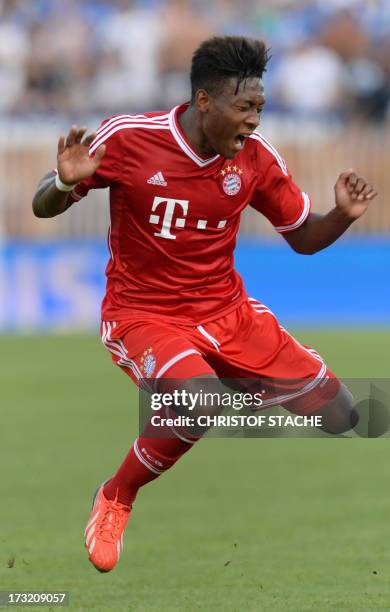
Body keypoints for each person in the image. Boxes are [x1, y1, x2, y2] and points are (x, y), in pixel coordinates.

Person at [32, 36, 377, 573]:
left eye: (260, 108)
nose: (255, 121)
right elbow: (43, 205)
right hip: (144, 315)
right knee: (199, 401)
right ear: (204, 102)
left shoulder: (258, 161)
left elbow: (304, 237)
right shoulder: (129, 139)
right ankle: (117, 496)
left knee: (342, 415)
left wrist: (343, 215)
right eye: (245, 108)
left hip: (227, 313)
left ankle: (234, 379)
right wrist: (61, 183)